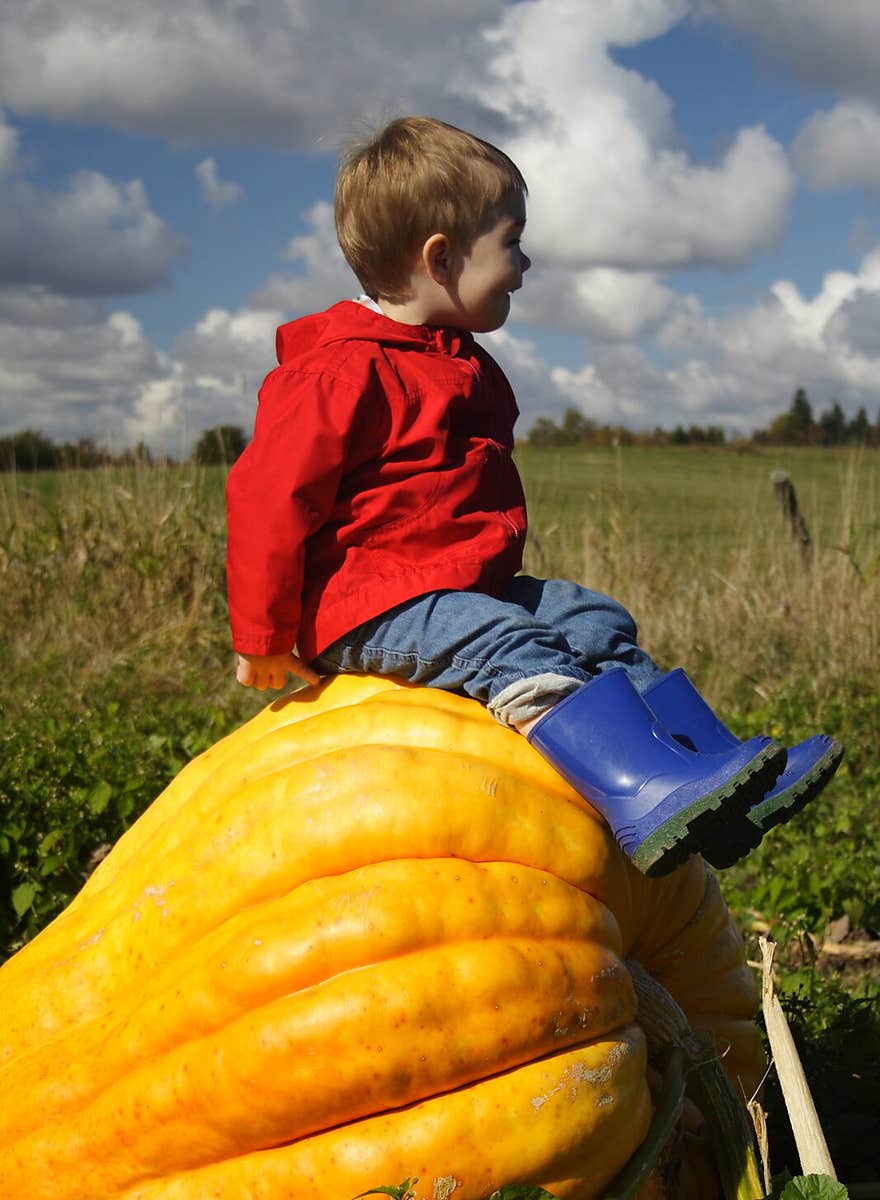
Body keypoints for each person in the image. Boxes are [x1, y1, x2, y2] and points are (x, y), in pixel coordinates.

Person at [225, 114, 843, 879]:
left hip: (455, 590)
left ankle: (716, 781)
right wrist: (262, 634)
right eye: (511, 241)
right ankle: (642, 793)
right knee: (510, 644)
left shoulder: (455, 361)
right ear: (441, 258)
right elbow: (265, 498)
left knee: (589, 619)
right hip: (369, 602)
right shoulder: (340, 370)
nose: (523, 264)